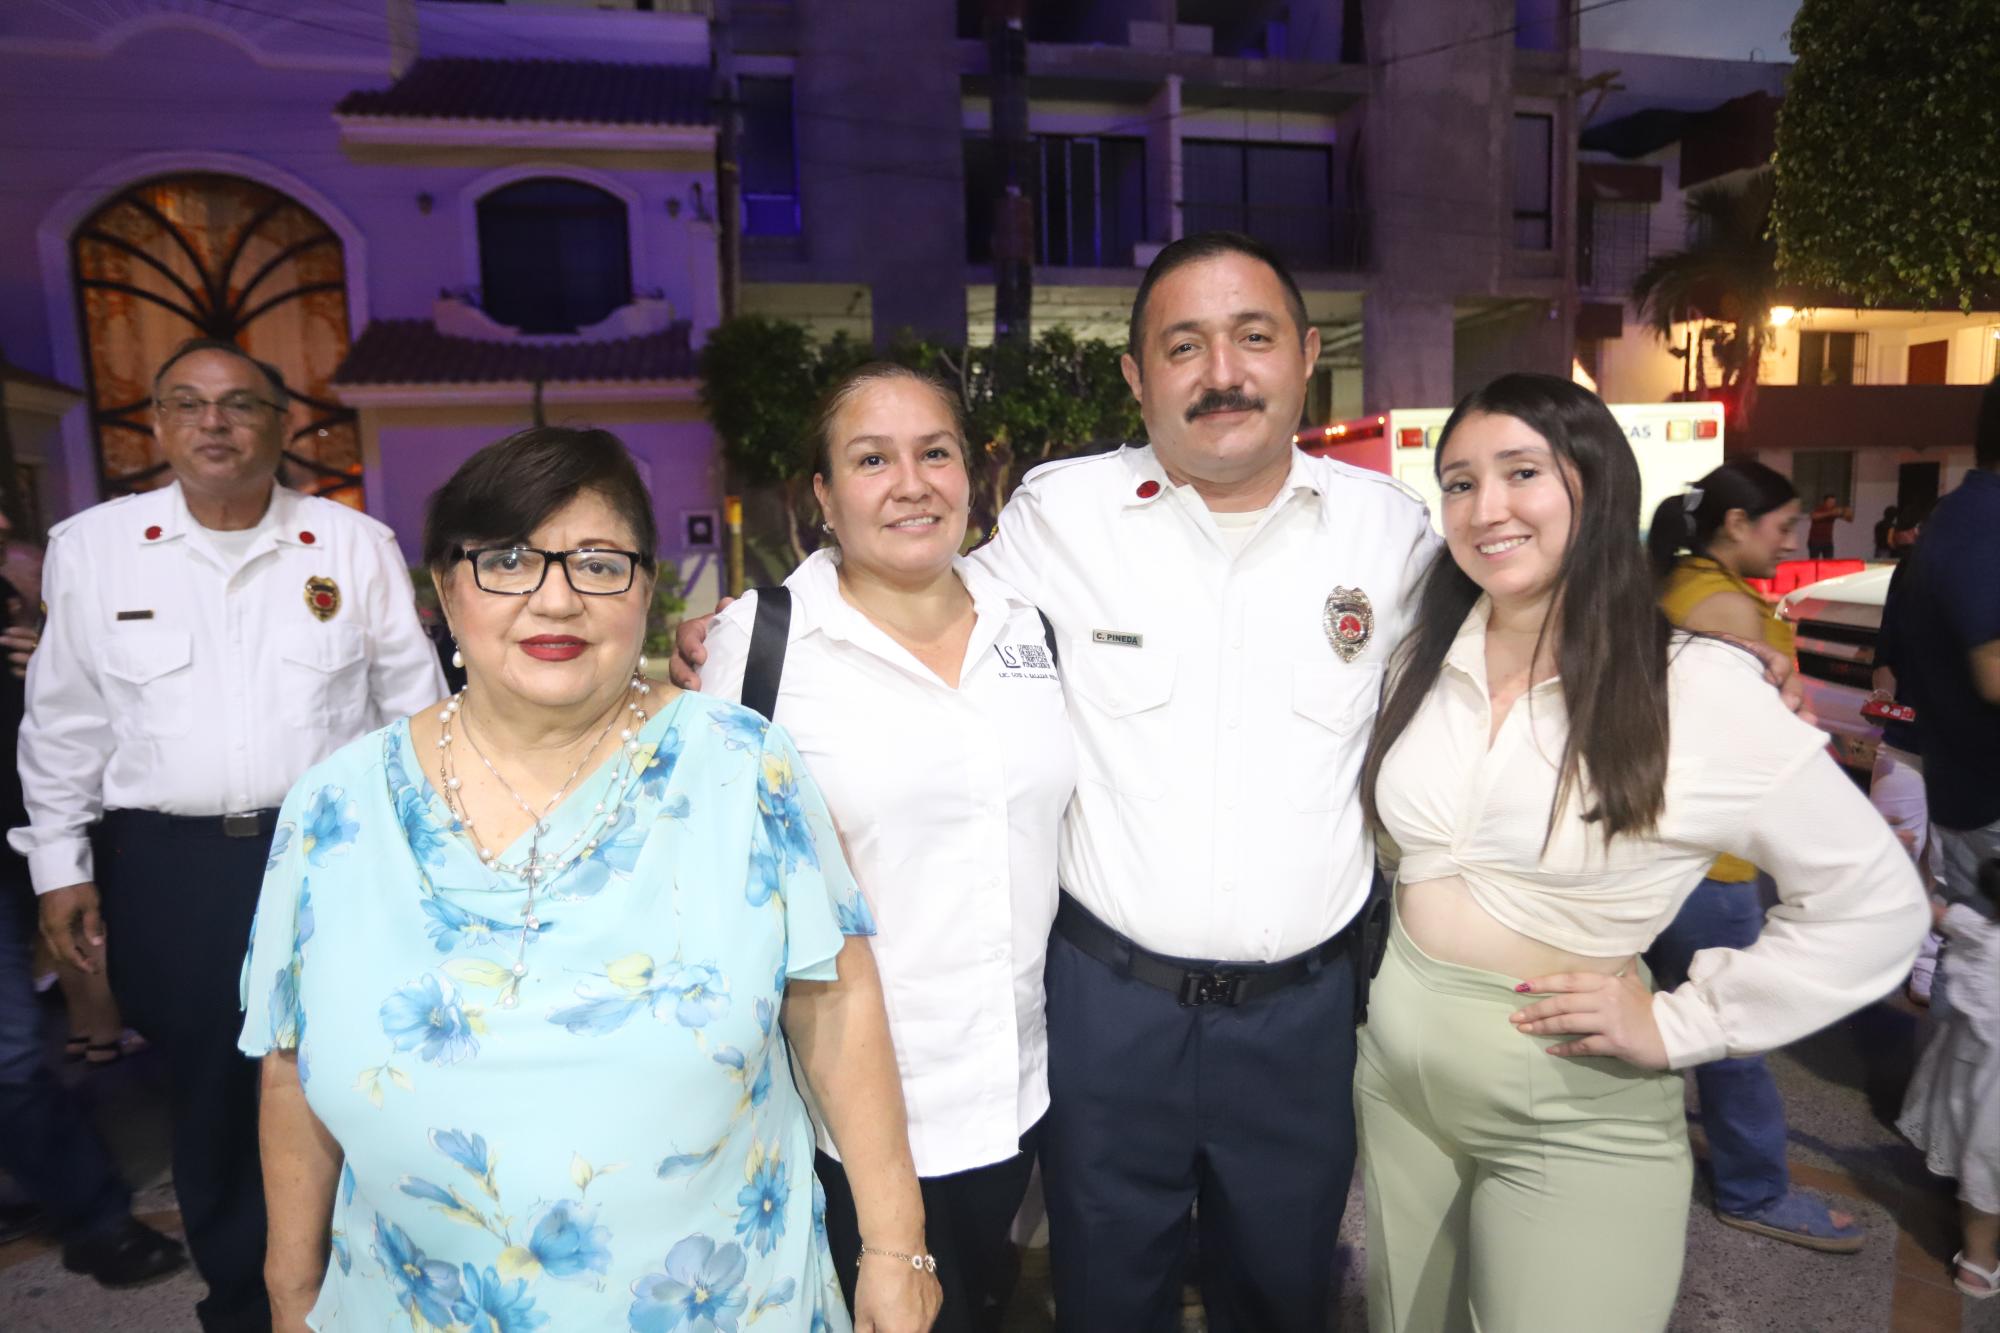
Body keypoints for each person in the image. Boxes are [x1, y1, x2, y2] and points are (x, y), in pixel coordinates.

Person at [681, 232, 1439, 1332]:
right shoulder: (1058, 515)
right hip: (1104, 1013)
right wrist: (739, 637)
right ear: (1135, 377)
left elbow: (1497, 665)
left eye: (1251, 336)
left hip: (1301, 1018)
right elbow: (906, 596)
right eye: (1182, 345)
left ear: (1306, 355)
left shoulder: (1391, 533)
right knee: (1101, 1297)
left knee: (1282, 1295)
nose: (1219, 371)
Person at [243, 426, 940, 1333]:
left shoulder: (740, 767)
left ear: (646, 591)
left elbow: (838, 1007)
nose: (556, 599)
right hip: (411, 1304)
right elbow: (292, 1066)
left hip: (718, 1304)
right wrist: (291, 1290)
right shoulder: (333, 806)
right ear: (446, 593)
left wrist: (896, 1248)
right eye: (507, 561)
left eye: (599, 563)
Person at [1354, 373, 1927, 1332]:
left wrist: (1687, 1022)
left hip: (1576, 1106)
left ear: (1598, 485)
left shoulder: (1693, 685)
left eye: (1521, 471)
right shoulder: (1426, 653)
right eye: (1458, 482)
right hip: (1399, 1082)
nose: (1485, 506)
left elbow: (1877, 904)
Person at [12, 338, 446, 1332]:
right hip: (172, 866)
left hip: (331, 856)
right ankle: (247, 1307)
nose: (214, 422)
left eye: (240, 404)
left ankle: (364, 1296)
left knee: (347, 1078)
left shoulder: (351, 546)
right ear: (158, 424)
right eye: (188, 404)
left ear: (282, 425)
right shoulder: (93, 548)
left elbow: (412, 712)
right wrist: (57, 864)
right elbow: (66, 719)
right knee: (213, 1094)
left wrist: (421, 860)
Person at [697, 365, 1073, 1333]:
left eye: (933, 452)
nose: (910, 482)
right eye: (871, 459)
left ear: (970, 476)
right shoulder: (760, 645)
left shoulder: (1028, 627)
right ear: (821, 495)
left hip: (1012, 1093)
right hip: (840, 1114)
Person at [1644, 462, 1865, 1251]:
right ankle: (1754, 1190)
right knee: (1731, 1035)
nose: (1792, 540)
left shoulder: (1674, 585)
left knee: (1664, 1023)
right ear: (1734, 523)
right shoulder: (1724, 605)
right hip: (1713, 863)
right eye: (1782, 525)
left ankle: (1655, 1168)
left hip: (1666, 849)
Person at [0, 491, 186, 1286]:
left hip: (33, 844)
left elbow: (68, 726)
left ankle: (92, 1214)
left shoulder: (25, 603)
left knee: (12, 1049)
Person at [1876, 376, 2000, 980]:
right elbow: (1991, 674)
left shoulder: (1958, 522)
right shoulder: (1983, 529)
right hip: (1958, 778)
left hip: (1955, 774)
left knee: (1974, 957)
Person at [1897, 858, 2000, 1300]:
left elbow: (1926, 909)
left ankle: (1978, 1263)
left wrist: (1908, 860)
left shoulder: (1982, 934)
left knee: (1983, 1171)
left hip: (1978, 1090)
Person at [1805, 492, 1852, 560]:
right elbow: (1813, 516)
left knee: (1829, 563)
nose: (1832, 504)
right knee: (1814, 562)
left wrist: (1846, 511)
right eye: (1830, 502)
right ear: (1825, 502)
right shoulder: (1820, 509)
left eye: (1833, 502)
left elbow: (1850, 519)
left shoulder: (1834, 510)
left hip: (1828, 542)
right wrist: (1830, 513)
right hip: (1815, 541)